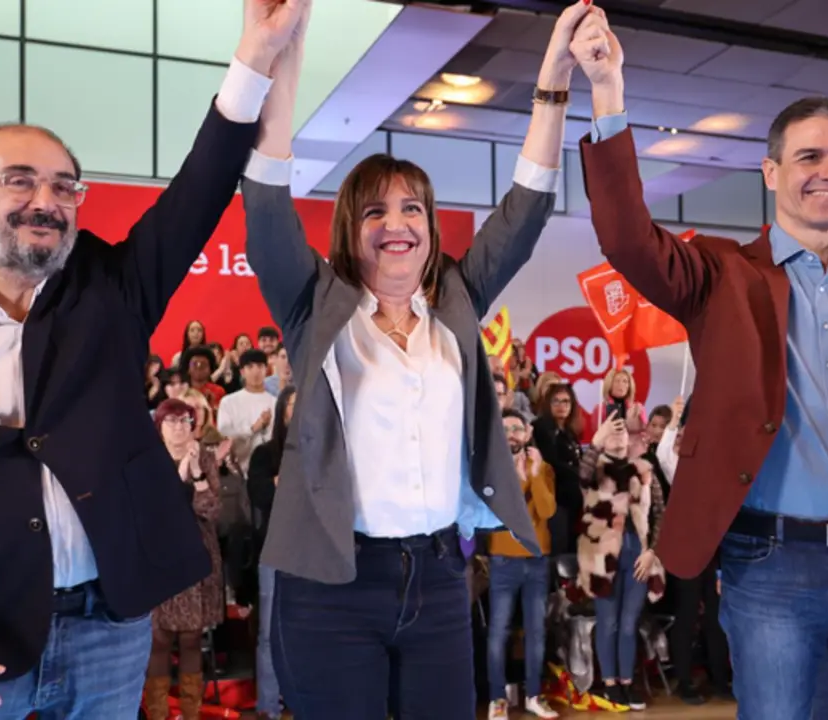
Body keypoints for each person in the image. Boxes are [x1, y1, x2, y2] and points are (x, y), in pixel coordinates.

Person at [0, 3, 307, 718]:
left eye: (64, 185)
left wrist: (254, 56)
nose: (46, 201)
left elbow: (200, 188)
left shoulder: (111, 292)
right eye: (19, 180)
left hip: (109, 631)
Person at [570, 11, 828, 719]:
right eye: (811, 157)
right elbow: (627, 237)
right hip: (771, 571)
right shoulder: (721, 276)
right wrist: (608, 87)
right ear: (771, 172)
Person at [239, 2, 600, 715]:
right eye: (375, 211)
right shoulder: (315, 304)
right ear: (351, 229)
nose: (397, 224)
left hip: (438, 578)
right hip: (332, 587)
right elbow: (267, 200)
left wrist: (553, 82)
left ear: (432, 229)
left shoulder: (458, 303)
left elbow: (524, 212)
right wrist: (280, 57)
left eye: (413, 209)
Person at [577, 412, 665, 711]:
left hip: (638, 555)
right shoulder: (596, 469)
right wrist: (596, 443)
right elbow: (582, 477)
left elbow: (660, 516)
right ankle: (610, 683)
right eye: (612, 433)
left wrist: (651, 550)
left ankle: (628, 682)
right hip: (603, 557)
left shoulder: (645, 471)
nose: (618, 437)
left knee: (629, 623)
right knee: (609, 622)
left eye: (622, 432)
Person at [143, 399, 224, 720]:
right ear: (159, 427)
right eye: (171, 421)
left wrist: (197, 474)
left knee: (191, 639)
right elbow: (157, 512)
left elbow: (212, 511)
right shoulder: (149, 461)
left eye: (184, 420)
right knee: (159, 639)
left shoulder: (204, 458)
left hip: (197, 554)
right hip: (159, 557)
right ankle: (158, 713)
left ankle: (192, 713)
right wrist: (179, 474)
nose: (178, 427)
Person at [486, 409, 557, 720]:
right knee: (498, 632)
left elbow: (547, 510)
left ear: (528, 433)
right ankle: (497, 698)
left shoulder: (543, 467)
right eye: (505, 429)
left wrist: (536, 474)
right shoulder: (490, 469)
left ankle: (533, 695)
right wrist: (515, 479)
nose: (512, 434)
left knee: (536, 631)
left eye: (517, 428)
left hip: (537, 560)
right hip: (503, 560)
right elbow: (499, 513)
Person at [244, 384, 296, 720]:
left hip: (314, 552)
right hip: (275, 550)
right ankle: (268, 707)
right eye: (292, 405)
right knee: (269, 634)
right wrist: (283, 482)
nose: (299, 411)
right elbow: (261, 494)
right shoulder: (265, 453)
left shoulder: (324, 450)